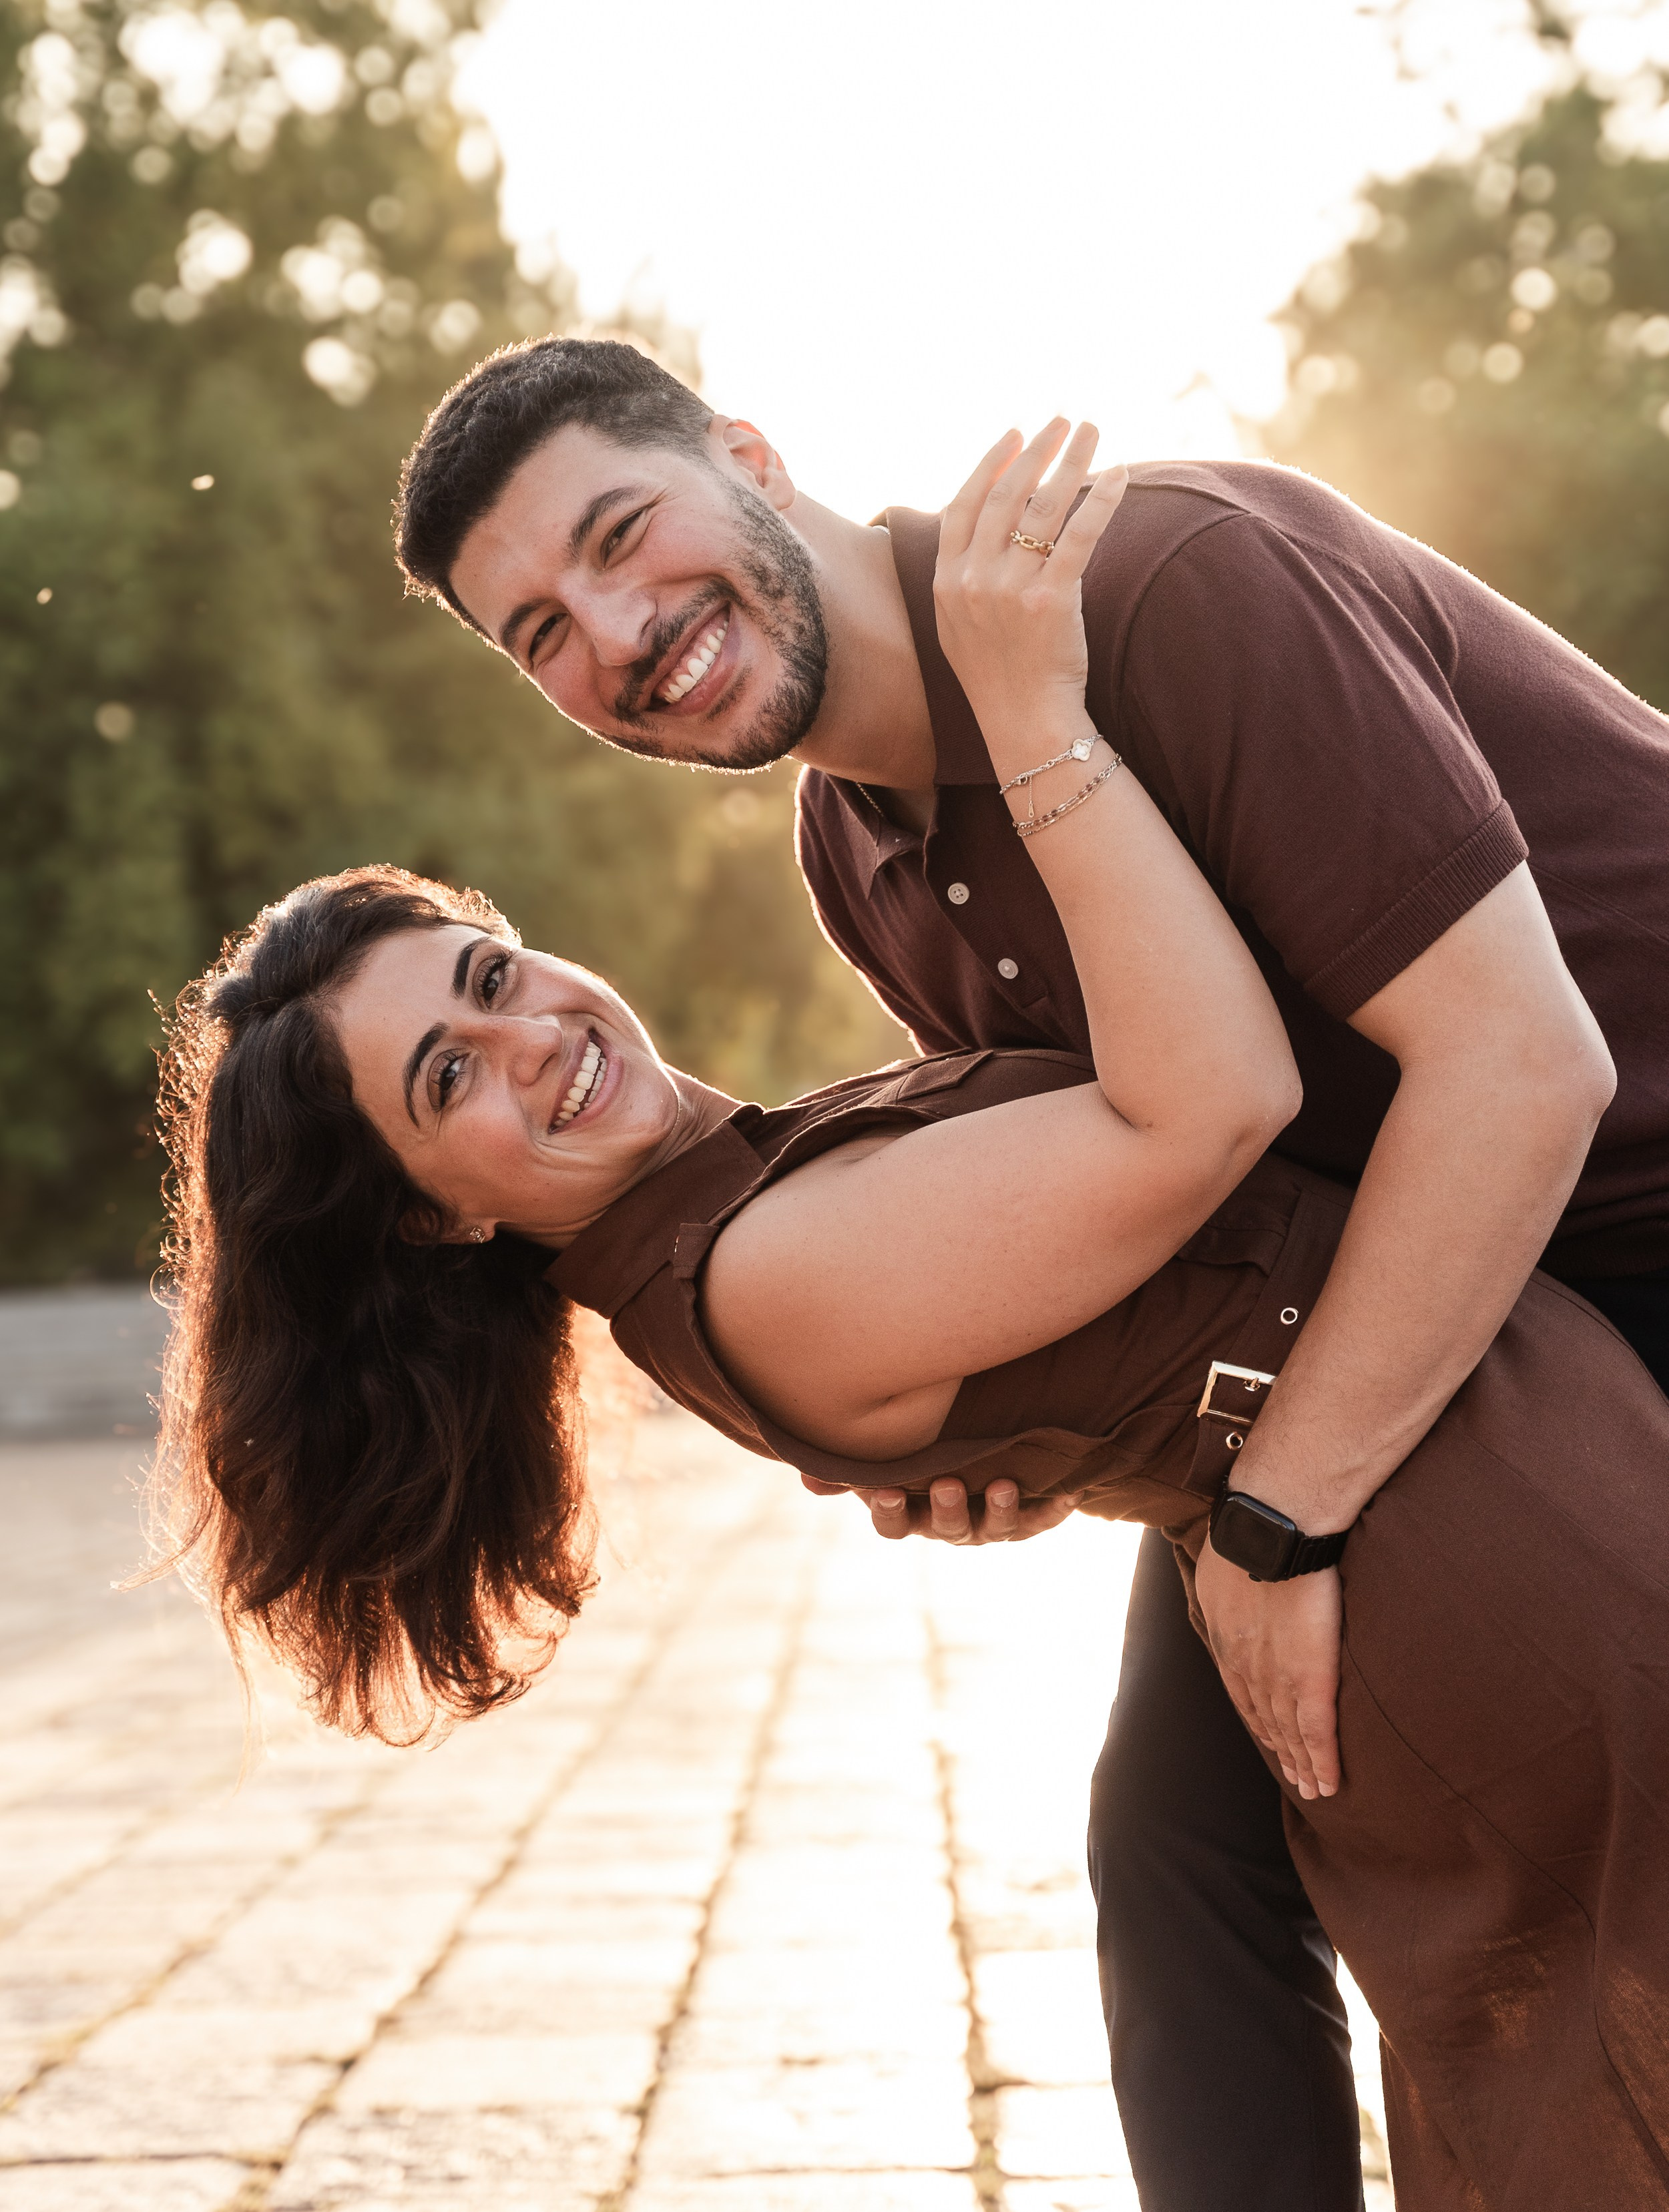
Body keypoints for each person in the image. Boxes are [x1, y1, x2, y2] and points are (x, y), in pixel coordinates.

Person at [158, 429, 1669, 2210]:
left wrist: (1211, 1490)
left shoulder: (1162, 588)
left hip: (1597, 1230)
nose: (619, 630)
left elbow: (1483, 1072)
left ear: (744, 457)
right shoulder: (848, 876)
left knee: (1253, 1888)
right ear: (439, 1212)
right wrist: (1048, 1430)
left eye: (622, 534)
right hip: (1444, 1360)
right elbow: (1157, 1171)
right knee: (1200, 1872)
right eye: (541, 630)